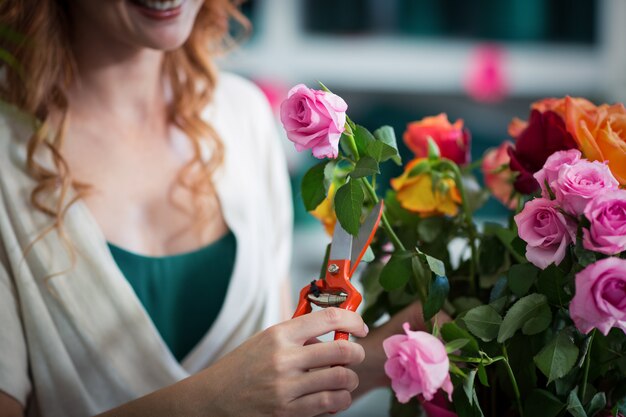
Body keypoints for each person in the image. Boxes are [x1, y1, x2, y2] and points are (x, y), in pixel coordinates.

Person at [0, 0, 426, 416]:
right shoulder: (6, 150)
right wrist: (216, 397)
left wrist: (377, 361)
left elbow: (278, 392)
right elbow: (248, 391)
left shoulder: (245, 117)